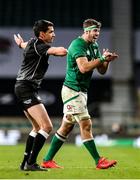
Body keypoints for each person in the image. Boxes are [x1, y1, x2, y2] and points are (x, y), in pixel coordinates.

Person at [41, 18, 118, 170]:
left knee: (66, 128)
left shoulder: (94, 46)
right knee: (86, 123)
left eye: (98, 31)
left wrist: (106, 61)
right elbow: (83, 68)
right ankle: (98, 161)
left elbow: (101, 71)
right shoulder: (77, 45)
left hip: (81, 91)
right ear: (86, 31)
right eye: (95, 31)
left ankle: (47, 160)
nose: (97, 34)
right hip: (73, 90)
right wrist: (101, 59)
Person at [14, 19, 67, 171]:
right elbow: (59, 51)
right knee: (47, 126)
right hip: (26, 88)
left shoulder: (31, 43)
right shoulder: (40, 46)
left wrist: (19, 44)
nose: (54, 35)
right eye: (51, 32)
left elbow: (23, 45)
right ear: (42, 34)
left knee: (37, 127)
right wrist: (70, 51)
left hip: (23, 87)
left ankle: (25, 163)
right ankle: (31, 163)